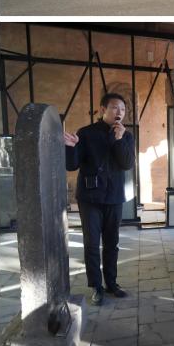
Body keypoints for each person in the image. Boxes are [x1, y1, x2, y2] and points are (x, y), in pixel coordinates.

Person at [63, 93, 136, 305]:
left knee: (112, 243)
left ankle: (112, 283)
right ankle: (96, 286)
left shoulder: (126, 136)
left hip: (114, 197)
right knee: (92, 244)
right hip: (90, 198)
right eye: (114, 107)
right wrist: (71, 147)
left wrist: (119, 140)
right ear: (103, 109)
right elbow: (72, 165)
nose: (119, 112)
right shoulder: (86, 133)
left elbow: (126, 164)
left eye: (122, 109)